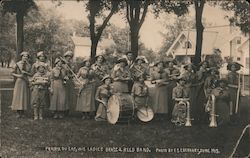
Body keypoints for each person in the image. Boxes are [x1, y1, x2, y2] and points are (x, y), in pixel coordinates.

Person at [11, 51, 32, 118]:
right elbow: (12, 73)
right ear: (21, 57)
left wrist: (26, 73)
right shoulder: (17, 64)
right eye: (24, 56)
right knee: (18, 96)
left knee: (24, 96)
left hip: (25, 81)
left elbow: (31, 74)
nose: (25, 57)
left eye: (26, 56)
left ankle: (22, 112)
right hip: (19, 81)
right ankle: (18, 112)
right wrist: (18, 76)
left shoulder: (29, 65)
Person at [62, 50, 76, 116]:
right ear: (65, 57)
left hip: (70, 81)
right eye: (67, 57)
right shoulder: (62, 64)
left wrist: (72, 75)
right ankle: (62, 110)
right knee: (63, 96)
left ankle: (68, 110)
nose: (69, 58)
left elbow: (74, 73)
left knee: (69, 96)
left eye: (70, 57)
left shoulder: (72, 65)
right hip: (64, 81)